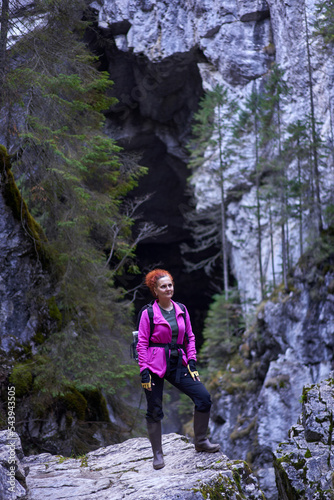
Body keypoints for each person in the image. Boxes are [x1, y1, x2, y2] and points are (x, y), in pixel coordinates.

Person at [137, 268, 220, 470]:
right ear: (155, 291)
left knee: (203, 398)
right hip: (155, 366)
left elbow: (190, 337)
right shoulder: (148, 313)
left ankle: (200, 442)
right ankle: (157, 454)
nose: (168, 289)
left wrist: (191, 361)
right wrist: (144, 370)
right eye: (163, 286)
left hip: (177, 363)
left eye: (170, 285)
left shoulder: (181, 309)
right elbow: (141, 343)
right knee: (154, 409)